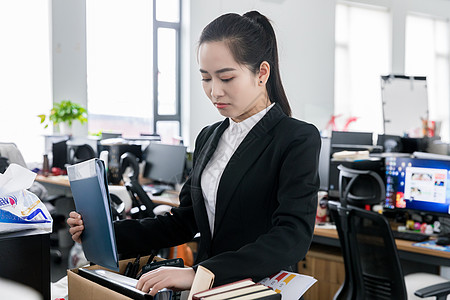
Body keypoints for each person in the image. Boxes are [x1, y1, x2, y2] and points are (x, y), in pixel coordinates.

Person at [67, 10, 320, 296]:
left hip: (255, 290)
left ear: (261, 73)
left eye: (226, 78)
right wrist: (107, 232)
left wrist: (201, 272)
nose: (214, 92)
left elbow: (291, 237)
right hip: (203, 290)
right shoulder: (210, 136)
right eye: (206, 79)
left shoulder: (296, 137)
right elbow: (184, 221)